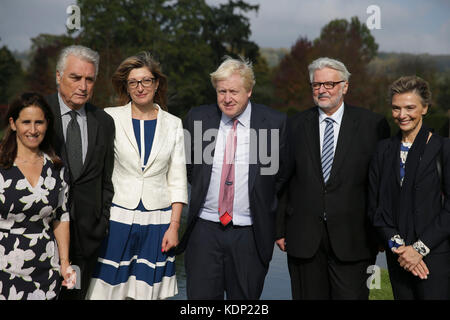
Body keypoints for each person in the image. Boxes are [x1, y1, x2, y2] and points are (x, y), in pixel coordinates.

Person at [276, 57, 390, 300]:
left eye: (329, 84)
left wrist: (382, 232)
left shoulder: (373, 125)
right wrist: (279, 228)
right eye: (317, 85)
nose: (322, 90)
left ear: (345, 86)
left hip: (355, 239)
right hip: (304, 239)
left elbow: (381, 185)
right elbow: (284, 180)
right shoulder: (294, 125)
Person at [177, 56, 289, 299]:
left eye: (234, 91)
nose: (227, 98)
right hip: (204, 231)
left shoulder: (273, 123)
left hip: (250, 233)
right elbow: (186, 167)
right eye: (221, 91)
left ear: (249, 90)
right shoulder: (198, 118)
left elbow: (279, 179)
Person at [86, 52, 188, 300]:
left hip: (158, 222)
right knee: (106, 291)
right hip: (117, 217)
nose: (140, 87)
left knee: (146, 293)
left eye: (146, 81)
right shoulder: (109, 117)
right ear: (126, 87)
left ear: (156, 83)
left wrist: (174, 227)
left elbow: (177, 179)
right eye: (133, 82)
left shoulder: (173, 123)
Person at [368, 76, 450, 299]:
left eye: (410, 107)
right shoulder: (383, 151)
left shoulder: (443, 149)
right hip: (399, 259)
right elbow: (375, 208)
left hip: (435, 257)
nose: (402, 115)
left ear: (425, 108)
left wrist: (419, 250)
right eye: (396, 108)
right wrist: (401, 249)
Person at [46, 45, 115, 300]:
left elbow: (106, 181)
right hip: (41, 236)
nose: (83, 86)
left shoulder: (104, 122)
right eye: (76, 78)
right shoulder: (38, 114)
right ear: (58, 76)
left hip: (86, 239)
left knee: (73, 297)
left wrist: (101, 222)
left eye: (89, 79)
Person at [0, 92, 75, 299]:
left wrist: (65, 263)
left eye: (39, 123)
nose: (33, 130)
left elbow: (61, 216)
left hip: (46, 272)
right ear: (13, 124)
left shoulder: (57, 168)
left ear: (47, 124)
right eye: (26, 122)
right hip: (4, 272)